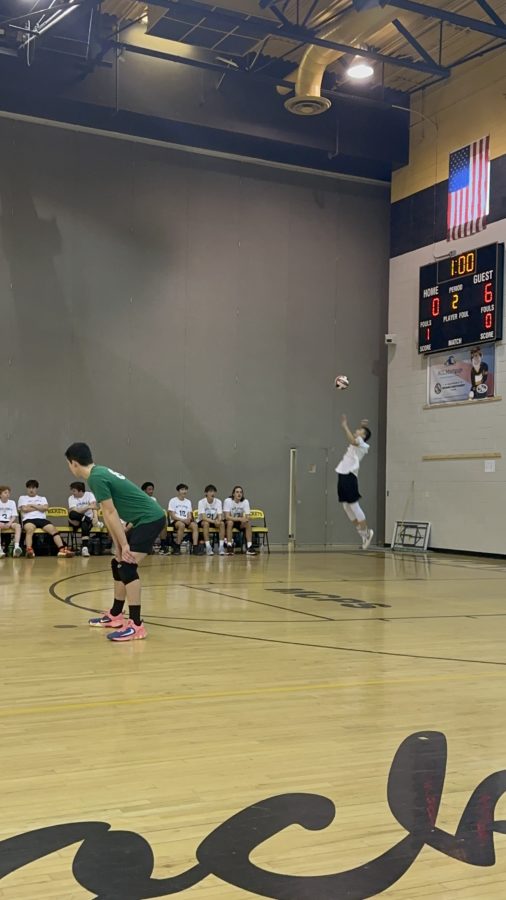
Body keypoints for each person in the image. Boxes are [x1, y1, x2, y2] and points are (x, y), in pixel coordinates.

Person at [65, 443, 166, 642]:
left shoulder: (96, 477)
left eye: (68, 464)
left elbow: (111, 513)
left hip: (151, 519)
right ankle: (116, 614)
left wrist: (125, 546)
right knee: (117, 563)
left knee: (127, 567)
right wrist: (119, 546)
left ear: (74, 463)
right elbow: (109, 514)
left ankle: (137, 625)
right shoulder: (98, 474)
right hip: (141, 520)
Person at [336, 414, 373, 550]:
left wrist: (345, 426)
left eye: (360, 431)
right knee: (346, 506)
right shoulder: (359, 441)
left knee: (354, 505)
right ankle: (363, 534)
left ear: (362, 436)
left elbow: (353, 440)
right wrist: (363, 426)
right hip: (342, 474)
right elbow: (356, 437)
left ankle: (367, 533)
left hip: (350, 476)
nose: (356, 430)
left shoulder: (362, 444)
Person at [18, 480, 74, 558]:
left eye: (33, 488)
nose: (31, 490)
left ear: (36, 489)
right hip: (29, 519)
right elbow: (24, 509)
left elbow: (45, 508)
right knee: (30, 529)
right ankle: (29, 550)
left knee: (54, 530)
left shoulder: (42, 498)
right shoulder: (22, 498)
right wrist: (39, 507)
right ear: (27, 489)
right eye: (29, 488)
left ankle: (62, 550)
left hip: (41, 519)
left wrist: (32, 505)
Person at [223, 486, 257, 556]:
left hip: (239, 521)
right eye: (237, 492)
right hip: (229, 520)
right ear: (233, 494)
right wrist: (240, 519)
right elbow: (227, 517)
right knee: (230, 522)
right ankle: (229, 546)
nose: (239, 494)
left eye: (241, 492)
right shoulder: (228, 501)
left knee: (248, 524)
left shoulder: (245, 501)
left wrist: (246, 519)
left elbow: (247, 516)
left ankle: (249, 547)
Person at [68, 482, 99, 557]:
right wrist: (88, 506)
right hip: (76, 520)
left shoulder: (89, 495)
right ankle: (88, 520)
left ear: (80, 491)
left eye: (74, 491)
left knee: (84, 524)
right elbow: (75, 511)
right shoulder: (71, 498)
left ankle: (85, 549)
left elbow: (94, 507)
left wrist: (95, 518)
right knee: (72, 514)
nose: (72, 493)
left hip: (84, 520)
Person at [168, 483, 199, 555]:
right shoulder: (173, 500)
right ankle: (177, 546)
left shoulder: (188, 501)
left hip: (186, 520)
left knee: (195, 526)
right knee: (181, 525)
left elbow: (189, 514)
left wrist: (189, 519)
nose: (184, 491)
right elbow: (172, 515)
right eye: (182, 489)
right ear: (178, 491)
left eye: (185, 489)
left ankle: (195, 547)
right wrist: (183, 520)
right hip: (177, 520)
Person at [197, 485, 225, 556]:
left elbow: (220, 515)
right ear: (206, 493)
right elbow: (203, 517)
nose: (212, 493)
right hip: (203, 521)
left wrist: (218, 520)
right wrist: (214, 521)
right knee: (206, 523)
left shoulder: (218, 501)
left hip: (214, 520)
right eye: (210, 491)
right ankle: (208, 547)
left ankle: (221, 547)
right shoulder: (201, 502)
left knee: (222, 524)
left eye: (213, 491)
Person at [0, 486, 22, 558]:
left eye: (8, 493)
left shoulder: (12, 502)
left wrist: (9, 523)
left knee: (18, 526)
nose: (7, 494)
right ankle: (0, 549)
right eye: (5, 493)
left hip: (9, 521)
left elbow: (14, 516)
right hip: (0, 522)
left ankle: (16, 547)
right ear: (0, 494)